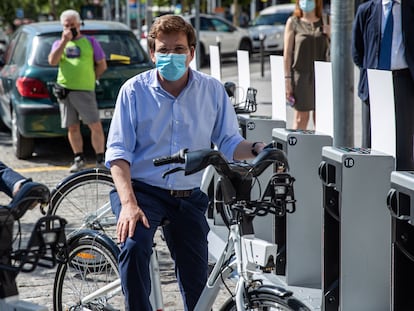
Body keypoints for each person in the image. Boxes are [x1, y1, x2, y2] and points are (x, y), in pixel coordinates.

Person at [105, 14, 267, 311]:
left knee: (197, 282)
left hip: (188, 196)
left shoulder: (212, 90)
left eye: (179, 49)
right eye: (163, 50)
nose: (171, 56)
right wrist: (128, 204)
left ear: (191, 52)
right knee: (133, 246)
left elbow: (229, 142)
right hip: (141, 191)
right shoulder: (133, 91)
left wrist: (256, 148)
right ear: (152, 53)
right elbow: (117, 153)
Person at [352, 0, 414, 170]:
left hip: (404, 80)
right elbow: (357, 52)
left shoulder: (410, 8)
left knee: (404, 144)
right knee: (371, 142)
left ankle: (402, 192)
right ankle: (371, 187)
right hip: (374, 82)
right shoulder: (366, 10)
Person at [48, 9, 107, 173]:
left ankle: (100, 158)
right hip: (65, 90)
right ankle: (78, 157)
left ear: (79, 24)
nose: (70, 28)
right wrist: (63, 42)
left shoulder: (90, 41)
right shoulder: (58, 43)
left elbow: (102, 64)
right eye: (66, 25)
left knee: (94, 124)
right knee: (72, 127)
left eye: (73, 25)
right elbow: (52, 61)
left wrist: (91, 78)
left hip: (85, 90)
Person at [283, 0, 330, 130]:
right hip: (301, 77)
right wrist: (287, 81)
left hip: (323, 77)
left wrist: (330, 34)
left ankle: (320, 150)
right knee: (300, 119)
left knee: (321, 120)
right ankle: (296, 150)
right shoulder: (293, 22)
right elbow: (287, 55)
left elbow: (339, 50)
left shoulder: (326, 20)